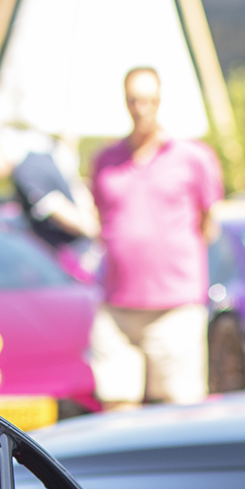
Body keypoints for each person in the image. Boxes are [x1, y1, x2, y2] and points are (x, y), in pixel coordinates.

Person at [87, 66, 224, 408]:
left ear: (160, 101)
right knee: (115, 405)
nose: (141, 108)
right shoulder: (106, 161)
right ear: (125, 102)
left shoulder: (193, 158)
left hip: (175, 307)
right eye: (134, 100)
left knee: (179, 409)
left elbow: (208, 223)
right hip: (118, 304)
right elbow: (104, 220)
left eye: (149, 100)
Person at [0, 131, 97, 251]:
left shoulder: (25, 174)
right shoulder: (35, 160)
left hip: (72, 249)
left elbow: (59, 209)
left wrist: (92, 232)